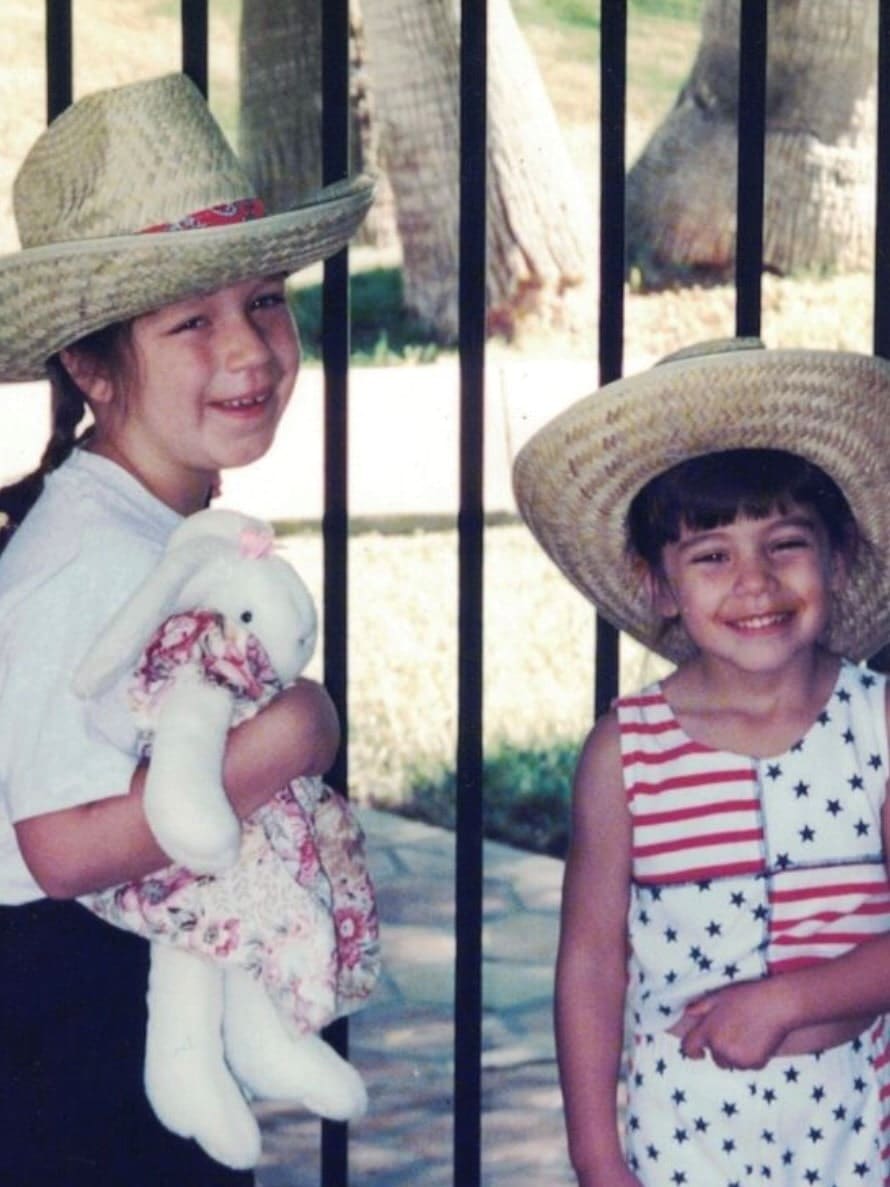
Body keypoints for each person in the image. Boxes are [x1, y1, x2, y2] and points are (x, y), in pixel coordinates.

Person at [0, 73, 374, 1185]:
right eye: (190, 321)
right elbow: (54, 847)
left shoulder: (150, 525)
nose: (250, 351)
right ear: (89, 366)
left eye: (264, 300)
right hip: (71, 1039)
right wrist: (290, 738)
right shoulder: (88, 561)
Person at [513, 338, 890, 1186]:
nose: (754, 582)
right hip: (681, 1145)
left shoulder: (879, 726)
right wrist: (596, 1155)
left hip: (860, 1143)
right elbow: (591, 963)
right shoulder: (625, 753)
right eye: (712, 555)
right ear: (659, 584)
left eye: (785, 543)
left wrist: (789, 999)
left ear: (836, 555)